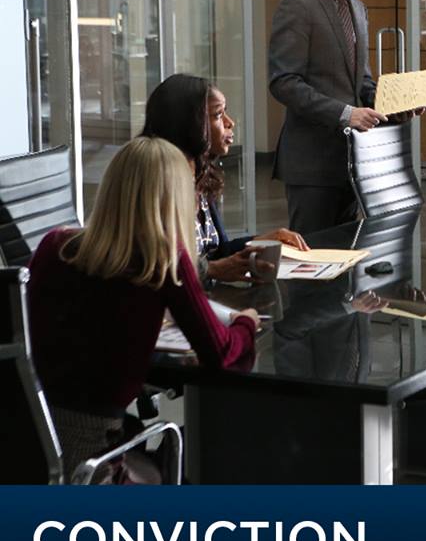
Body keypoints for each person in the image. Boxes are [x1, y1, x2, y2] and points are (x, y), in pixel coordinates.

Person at [26, 137, 259, 478]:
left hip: (30, 446)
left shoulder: (53, 245)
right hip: (98, 466)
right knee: (203, 453)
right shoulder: (162, 260)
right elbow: (220, 354)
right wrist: (246, 323)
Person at [269, 0, 400, 233]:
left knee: (346, 255)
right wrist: (346, 114)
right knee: (314, 255)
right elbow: (284, 82)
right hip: (312, 165)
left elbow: (361, 82)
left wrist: (396, 106)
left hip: (352, 162)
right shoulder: (298, 4)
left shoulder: (356, 6)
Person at [142, 73, 308, 283]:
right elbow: (155, 264)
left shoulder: (199, 177)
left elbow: (216, 253)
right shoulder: (158, 183)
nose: (230, 123)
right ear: (188, 124)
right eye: (218, 115)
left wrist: (260, 241)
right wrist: (211, 270)